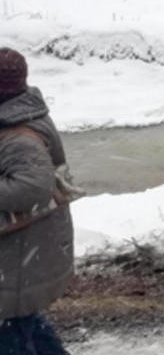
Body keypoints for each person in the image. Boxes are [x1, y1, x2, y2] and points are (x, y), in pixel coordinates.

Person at [0, 48, 74, 355]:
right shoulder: (18, 114)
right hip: (28, 252)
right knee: (21, 321)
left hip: (19, 257)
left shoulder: (18, 136)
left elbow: (32, 188)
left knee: (10, 330)